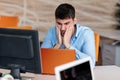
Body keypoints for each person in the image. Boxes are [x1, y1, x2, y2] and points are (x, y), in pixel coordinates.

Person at [41, 3, 95, 68]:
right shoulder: (51, 31)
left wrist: (68, 46)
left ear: (74, 21)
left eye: (66, 23)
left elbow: (91, 64)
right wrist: (58, 45)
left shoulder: (86, 33)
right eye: (59, 23)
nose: (62, 28)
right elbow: (41, 61)